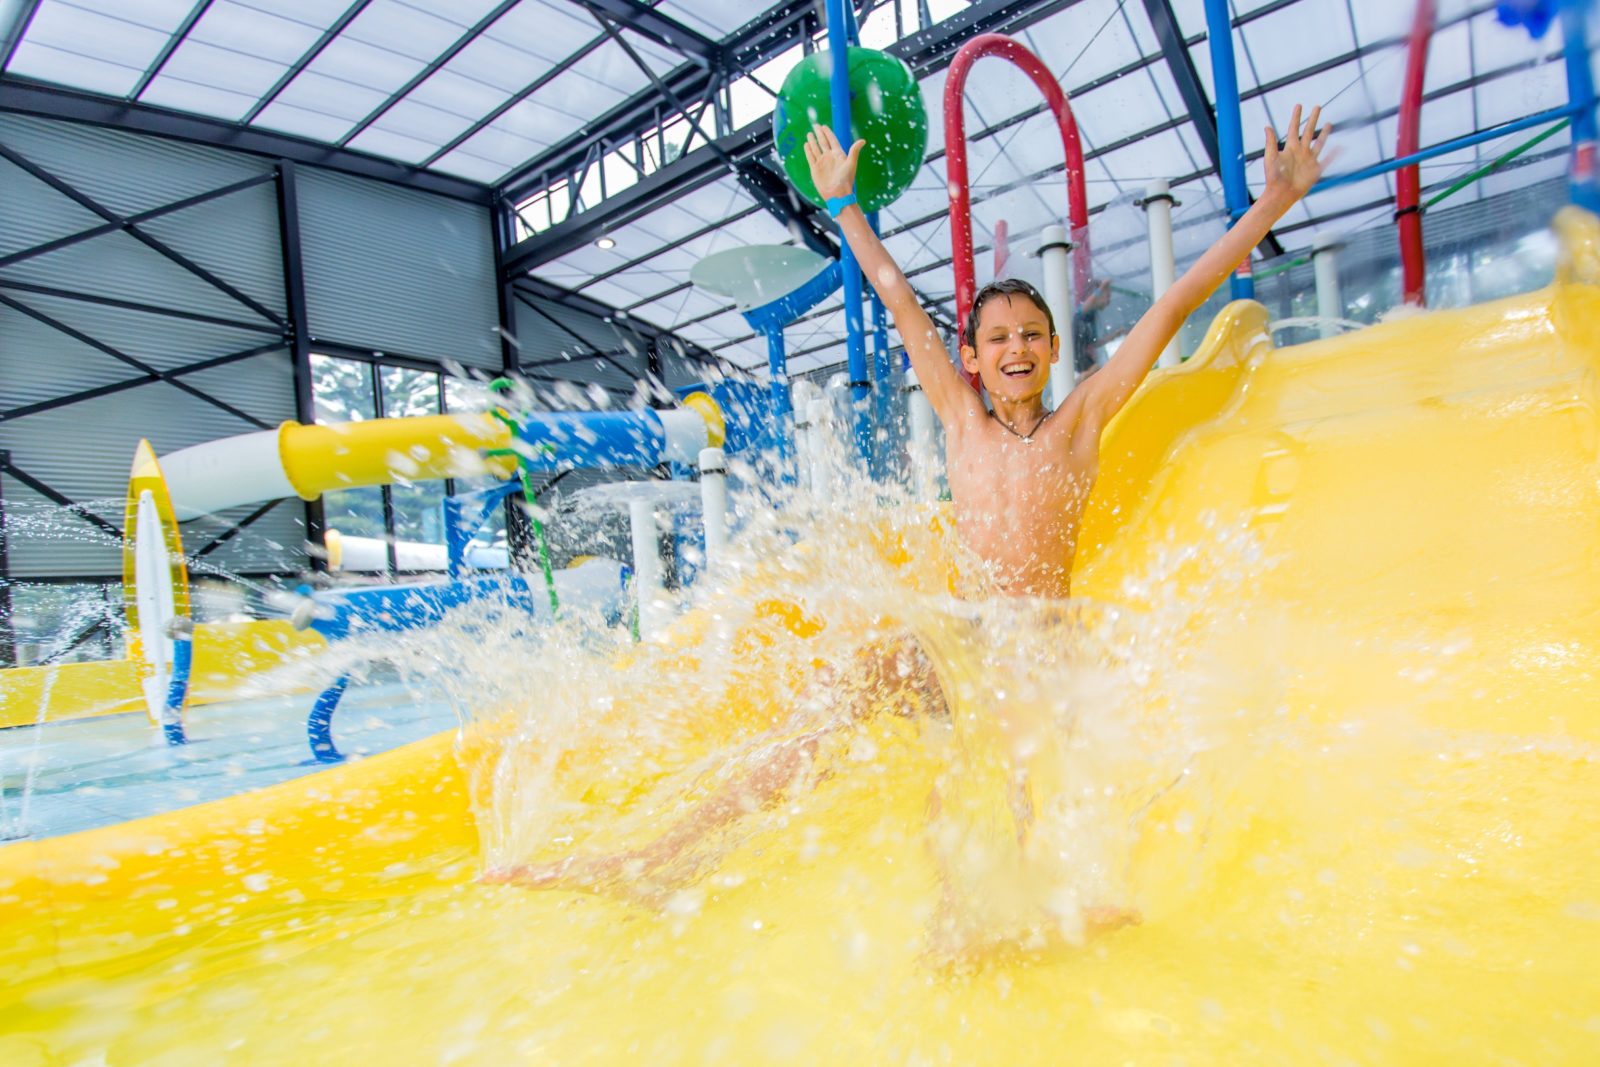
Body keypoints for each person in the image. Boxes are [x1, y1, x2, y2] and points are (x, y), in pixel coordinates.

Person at [488, 107, 1332, 926]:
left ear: (1052, 350)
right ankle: (665, 858)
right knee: (828, 704)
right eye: (997, 337)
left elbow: (1172, 306)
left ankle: (1012, 910)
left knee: (1001, 783)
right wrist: (845, 207)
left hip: (1037, 644)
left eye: (1033, 335)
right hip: (961, 634)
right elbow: (894, 296)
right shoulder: (962, 421)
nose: (1016, 348)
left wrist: (1274, 202)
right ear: (969, 357)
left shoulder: (1080, 423)